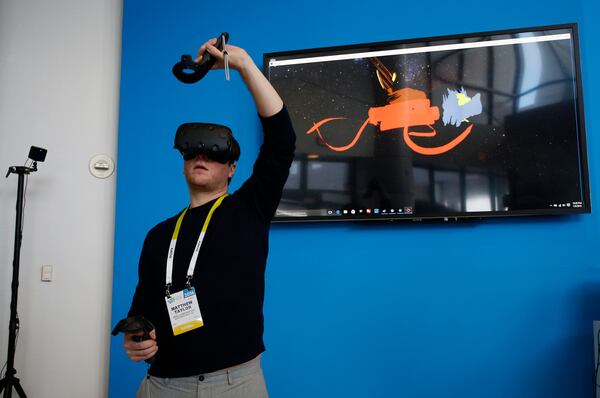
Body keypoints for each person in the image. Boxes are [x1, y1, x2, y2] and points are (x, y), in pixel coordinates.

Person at [122, 37, 295, 397]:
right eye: (192, 151)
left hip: (234, 384)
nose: (201, 156)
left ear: (232, 169)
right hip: (163, 383)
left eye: (214, 153)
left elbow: (282, 140)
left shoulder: (249, 209)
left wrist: (245, 63)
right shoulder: (158, 236)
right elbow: (142, 309)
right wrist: (137, 339)